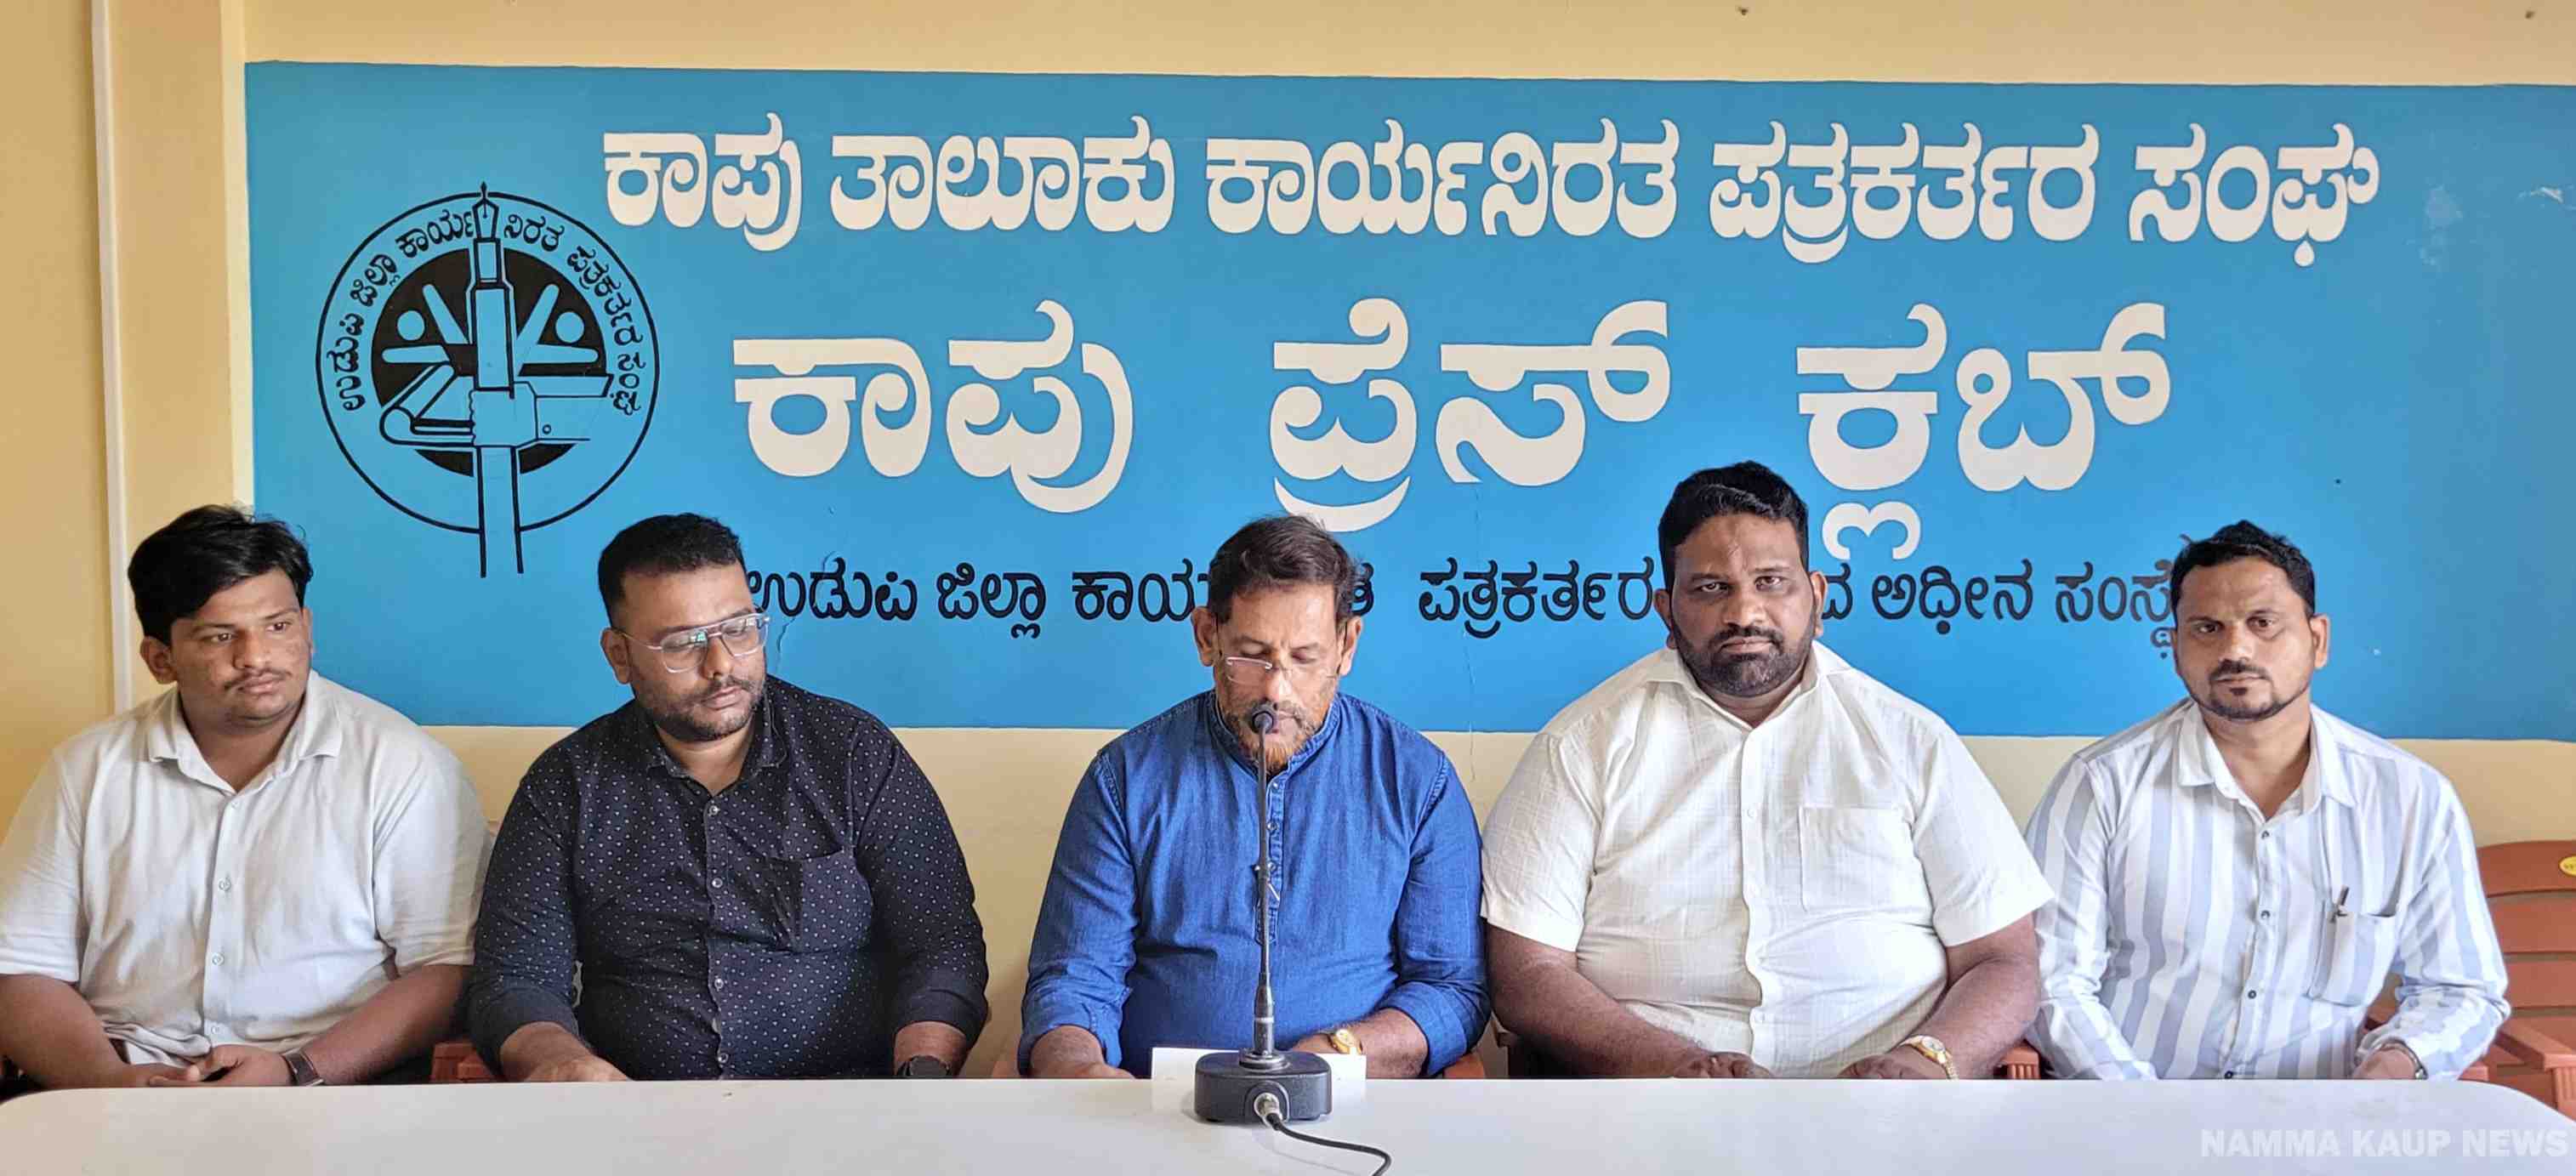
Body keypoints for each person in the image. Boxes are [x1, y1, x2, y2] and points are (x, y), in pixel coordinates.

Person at [1481, 462, 2049, 1079]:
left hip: (1885, 1108)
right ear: (1666, 610)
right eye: (1710, 588)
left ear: (1817, 596)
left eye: (1771, 581)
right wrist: (1677, 1066)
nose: (1744, 612)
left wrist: (1921, 1066)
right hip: (1650, 1104)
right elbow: (1527, 972)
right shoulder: (1580, 746)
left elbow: (2002, 960)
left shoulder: (1912, 741)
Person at [466, 514, 987, 1081]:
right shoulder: (566, 786)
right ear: (619, 655)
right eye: (682, 643)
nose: (720, 665)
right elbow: (514, 979)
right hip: (633, 1109)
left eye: (739, 629)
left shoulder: (853, 755)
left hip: (849, 1105)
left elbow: (943, 945)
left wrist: (921, 1074)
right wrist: (563, 1064)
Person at [0, 506, 488, 1091]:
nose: (256, 657)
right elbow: (21, 970)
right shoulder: (86, 770)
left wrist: (296, 1070)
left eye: (277, 626)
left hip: (335, 1086)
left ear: (307, 628)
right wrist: (107, 1080)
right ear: (160, 658)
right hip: (122, 1080)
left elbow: (447, 968)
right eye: (220, 636)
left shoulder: (402, 764)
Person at [2025, 520, 2507, 1079]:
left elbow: (2460, 988)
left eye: (2262, 622)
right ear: (2175, 648)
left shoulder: (2409, 798)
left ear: (2318, 640)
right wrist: (2139, 1105)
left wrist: (2396, 1065)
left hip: (2327, 1121)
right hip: (2128, 1111)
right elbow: (2051, 979)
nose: (2235, 649)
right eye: (2207, 628)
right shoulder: (2101, 784)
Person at [1020, 515, 1486, 1078]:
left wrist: (1337, 1055)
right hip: (1151, 1108)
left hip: (1352, 1100)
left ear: (1346, 645)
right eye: (1251, 654)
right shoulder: (1124, 778)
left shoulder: (1418, 781)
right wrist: (1080, 1075)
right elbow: (1074, 980)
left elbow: (1450, 989)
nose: (1275, 689)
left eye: (1304, 657)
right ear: (1206, 637)